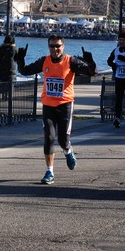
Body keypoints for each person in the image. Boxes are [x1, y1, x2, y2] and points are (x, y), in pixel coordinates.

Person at [15, 35, 96, 185]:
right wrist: (20, 59)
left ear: (63, 46)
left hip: (65, 106)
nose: (55, 49)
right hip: (48, 106)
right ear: (48, 47)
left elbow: (91, 72)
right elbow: (25, 71)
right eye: (52, 46)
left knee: (63, 140)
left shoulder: (70, 61)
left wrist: (90, 61)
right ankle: (49, 171)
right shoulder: (44, 61)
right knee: (49, 138)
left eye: (58, 46)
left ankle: (68, 151)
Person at [0, 35, 17, 100]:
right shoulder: (14, 49)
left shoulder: (2, 49)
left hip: (3, 69)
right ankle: (10, 97)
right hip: (12, 69)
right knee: (10, 83)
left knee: (3, 82)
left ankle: (4, 96)